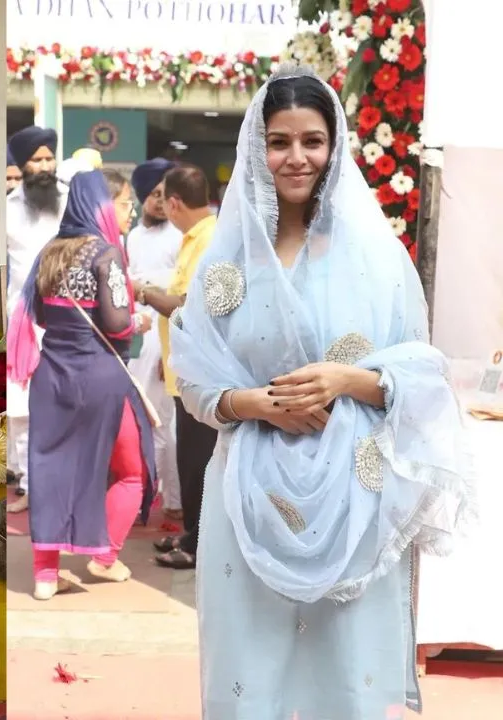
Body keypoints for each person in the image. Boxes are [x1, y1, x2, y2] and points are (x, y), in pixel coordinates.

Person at [170, 68, 474, 717]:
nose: (296, 157)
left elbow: (423, 374)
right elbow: (194, 375)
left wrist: (347, 380)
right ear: (258, 147)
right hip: (247, 498)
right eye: (280, 141)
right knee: (249, 674)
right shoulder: (231, 261)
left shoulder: (375, 256)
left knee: (346, 681)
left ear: (335, 149)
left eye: (312, 140)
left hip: (351, 504)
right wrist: (252, 404)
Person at [7, 170, 157, 597]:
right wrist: (140, 321)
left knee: (51, 468)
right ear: (102, 206)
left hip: (52, 377)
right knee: (132, 471)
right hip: (100, 377)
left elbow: (34, 311)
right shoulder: (106, 254)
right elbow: (116, 324)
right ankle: (104, 556)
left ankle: (45, 576)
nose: (131, 211)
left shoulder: (50, 252)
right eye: (126, 202)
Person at [136, 163, 218, 570]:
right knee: (189, 459)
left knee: (198, 462)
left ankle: (200, 544)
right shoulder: (194, 237)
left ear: (173, 202)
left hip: (201, 371)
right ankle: (192, 533)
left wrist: (144, 293)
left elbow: (190, 304)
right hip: (184, 371)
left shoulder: (210, 239)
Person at [5, 126, 67, 513]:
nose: (45, 166)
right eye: (37, 159)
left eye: (49, 158)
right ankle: (28, 485)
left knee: (63, 405)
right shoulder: (7, 210)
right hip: (24, 323)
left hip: (68, 320)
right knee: (24, 410)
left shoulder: (70, 203)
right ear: (22, 164)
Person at [125, 159, 184, 523]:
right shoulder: (132, 237)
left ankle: (174, 500)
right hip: (140, 339)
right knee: (143, 421)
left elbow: (180, 301)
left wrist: (171, 352)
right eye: (155, 194)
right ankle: (151, 493)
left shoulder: (178, 237)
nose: (161, 202)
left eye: (167, 195)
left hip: (168, 340)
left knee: (165, 424)